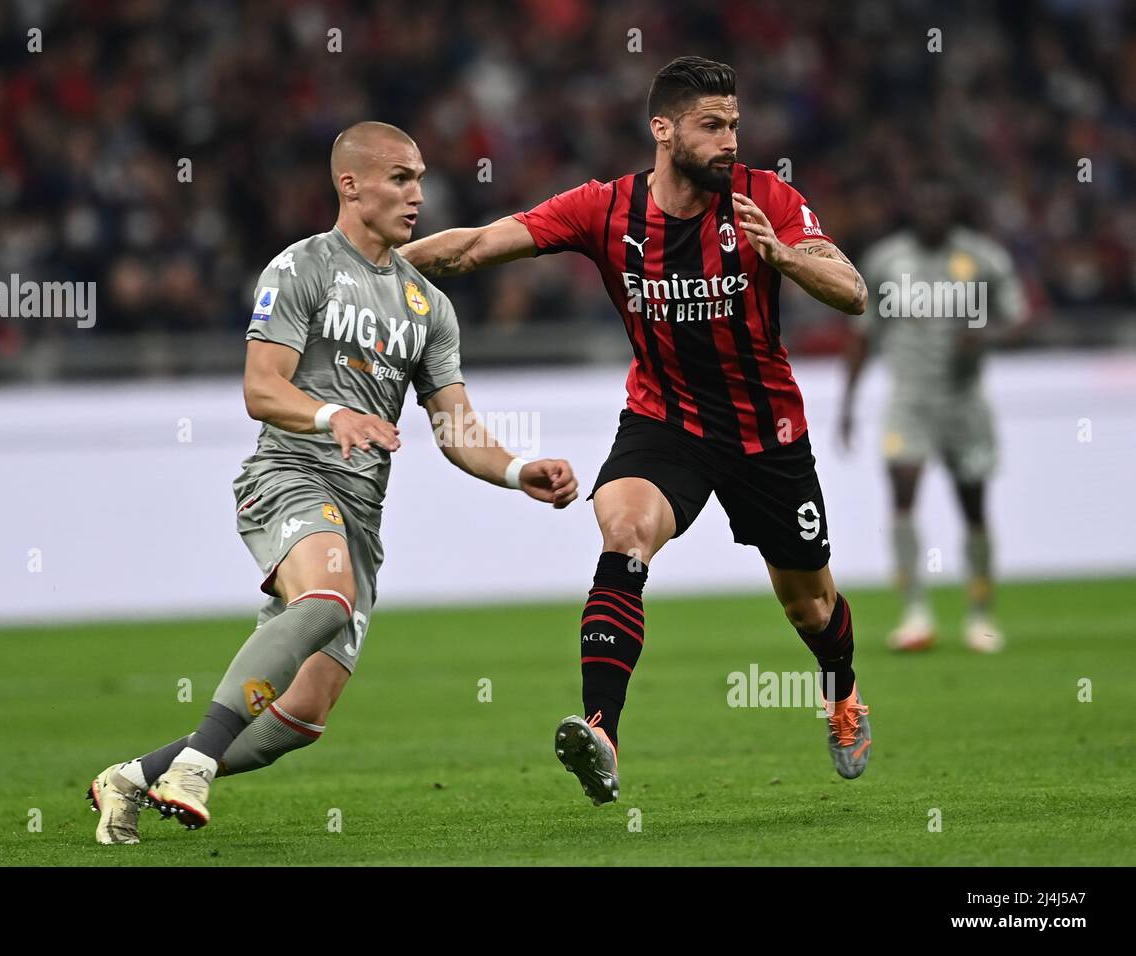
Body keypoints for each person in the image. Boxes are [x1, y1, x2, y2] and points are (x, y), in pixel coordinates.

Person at [87, 121, 579, 843]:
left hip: (359, 511)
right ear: (350, 185)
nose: (419, 194)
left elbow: (455, 427)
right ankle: (193, 765)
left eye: (419, 178)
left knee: (304, 716)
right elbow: (261, 388)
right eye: (400, 178)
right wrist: (331, 415)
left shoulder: (428, 307)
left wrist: (514, 469)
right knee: (326, 597)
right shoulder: (302, 268)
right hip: (287, 474)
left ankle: (130, 777)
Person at [402, 57, 872, 806]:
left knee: (810, 607)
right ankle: (603, 734)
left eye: (735, 126)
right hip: (665, 420)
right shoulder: (605, 210)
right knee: (623, 534)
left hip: (766, 432)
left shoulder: (765, 197)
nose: (729, 142)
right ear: (663, 129)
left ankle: (842, 690)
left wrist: (783, 254)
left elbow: (851, 290)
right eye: (712, 126)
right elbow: (474, 246)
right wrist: (360, 269)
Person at [840, 175, 1029, 653]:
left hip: (965, 401)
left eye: (940, 206)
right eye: (924, 206)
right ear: (913, 210)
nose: (933, 214)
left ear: (951, 209)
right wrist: (847, 404)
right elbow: (863, 335)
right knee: (902, 496)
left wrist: (984, 336)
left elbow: (1020, 317)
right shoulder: (886, 261)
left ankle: (981, 614)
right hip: (908, 401)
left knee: (974, 507)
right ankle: (916, 612)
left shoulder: (982, 258)